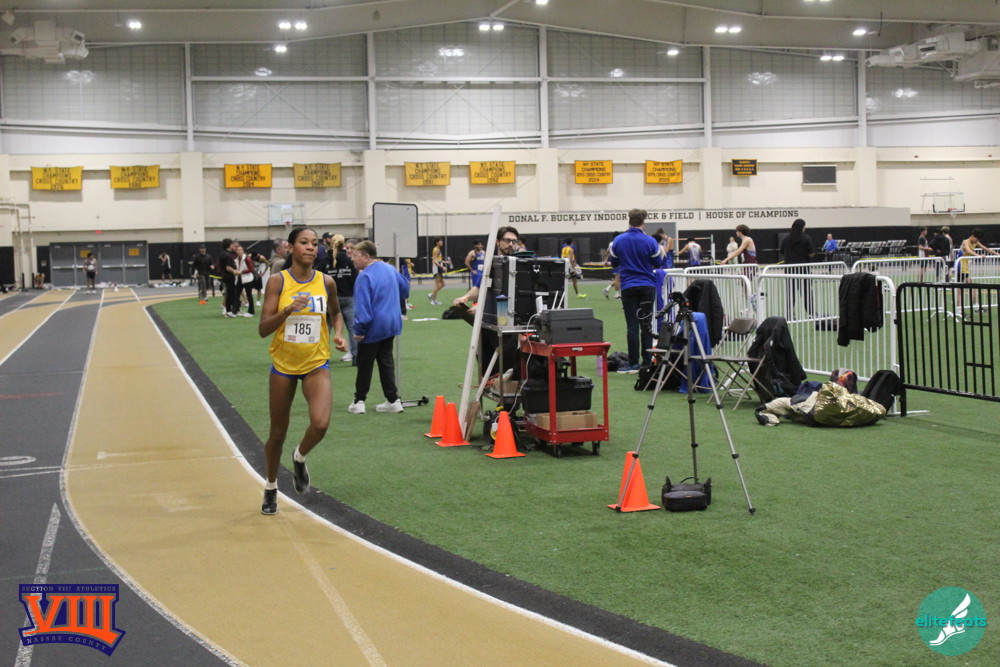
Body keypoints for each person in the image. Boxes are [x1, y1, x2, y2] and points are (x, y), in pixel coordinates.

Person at [257, 226, 346, 515]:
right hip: (283, 365)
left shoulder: (326, 282)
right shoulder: (278, 281)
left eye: (314, 243)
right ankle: (271, 486)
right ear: (291, 247)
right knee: (277, 434)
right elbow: (263, 329)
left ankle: (299, 456)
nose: (310, 247)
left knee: (320, 424)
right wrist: (287, 311)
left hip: (316, 362)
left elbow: (336, 312)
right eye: (304, 242)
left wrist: (338, 334)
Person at [347, 240, 410, 415]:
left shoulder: (364, 276)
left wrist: (359, 330)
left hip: (373, 326)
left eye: (356, 255)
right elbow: (405, 289)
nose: (352, 259)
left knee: (365, 364)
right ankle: (393, 400)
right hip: (391, 323)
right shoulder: (390, 269)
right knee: (386, 361)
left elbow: (363, 307)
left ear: (366, 256)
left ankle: (359, 401)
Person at [609, 209, 661, 373]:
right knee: (646, 325)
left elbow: (614, 262)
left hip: (628, 286)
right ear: (643, 221)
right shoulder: (650, 241)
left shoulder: (618, 240)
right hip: (647, 285)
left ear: (629, 220)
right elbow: (658, 263)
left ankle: (633, 363)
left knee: (632, 326)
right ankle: (647, 362)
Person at [320, 234, 358, 363]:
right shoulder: (349, 261)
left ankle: (323, 357)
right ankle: (356, 356)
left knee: (326, 328)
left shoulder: (325, 261)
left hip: (330, 299)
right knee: (352, 327)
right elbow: (355, 279)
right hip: (348, 297)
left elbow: (319, 278)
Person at [779, 218, 815, 318]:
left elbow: (782, 252)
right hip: (804, 270)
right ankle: (811, 313)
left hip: (789, 270)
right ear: (802, 227)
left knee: (791, 293)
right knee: (807, 292)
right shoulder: (807, 238)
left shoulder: (786, 239)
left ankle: (789, 313)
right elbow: (811, 253)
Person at [218, 238, 240, 318]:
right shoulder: (227, 255)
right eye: (232, 244)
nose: (233, 246)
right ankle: (229, 311)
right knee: (230, 294)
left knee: (230, 293)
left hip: (225, 276)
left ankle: (232, 310)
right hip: (229, 276)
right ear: (229, 245)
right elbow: (228, 267)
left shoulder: (223, 254)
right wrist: (234, 271)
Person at [234, 243, 256, 317]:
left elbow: (251, 269)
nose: (239, 251)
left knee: (249, 295)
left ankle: (251, 311)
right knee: (237, 294)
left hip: (248, 279)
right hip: (240, 278)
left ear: (243, 251)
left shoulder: (247, 259)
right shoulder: (236, 259)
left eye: (240, 250)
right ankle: (235, 311)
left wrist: (241, 272)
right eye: (238, 250)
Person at [428, 237, 446, 306]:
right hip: (437, 269)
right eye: (440, 241)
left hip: (439, 268)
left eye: (441, 241)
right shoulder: (436, 250)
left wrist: (445, 262)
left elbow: (439, 260)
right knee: (437, 285)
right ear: (437, 242)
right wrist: (442, 267)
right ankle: (433, 300)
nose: (442, 242)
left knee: (443, 284)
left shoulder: (438, 249)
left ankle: (432, 295)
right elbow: (434, 261)